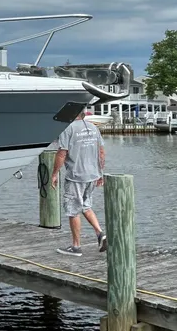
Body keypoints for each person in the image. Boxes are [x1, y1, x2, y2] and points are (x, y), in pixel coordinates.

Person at [50, 108, 107, 256]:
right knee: (86, 206)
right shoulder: (94, 128)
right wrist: (100, 173)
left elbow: (62, 153)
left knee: (73, 210)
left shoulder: (67, 129)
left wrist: (55, 173)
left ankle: (76, 247)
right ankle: (101, 234)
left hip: (76, 176)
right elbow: (101, 152)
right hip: (92, 175)